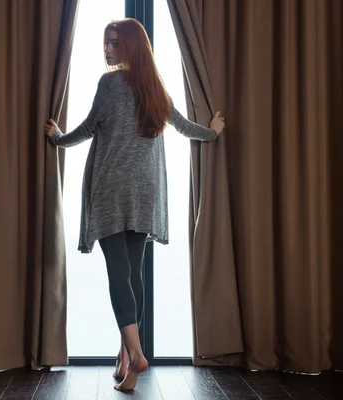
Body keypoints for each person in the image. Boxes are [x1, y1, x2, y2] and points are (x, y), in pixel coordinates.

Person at [45, 18, 226, 392]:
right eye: (105, 42)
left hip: (112, 188)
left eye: (113, 42)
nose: (107, 48)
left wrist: (58, 139)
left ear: (129, 45)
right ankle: (127, 358)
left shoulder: (109, 84)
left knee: (118, 275)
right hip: (146, 190)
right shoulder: (154, 87)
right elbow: (182, 125)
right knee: (134, 275)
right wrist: (213, 132)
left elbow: (87, 128)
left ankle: (137, 353)